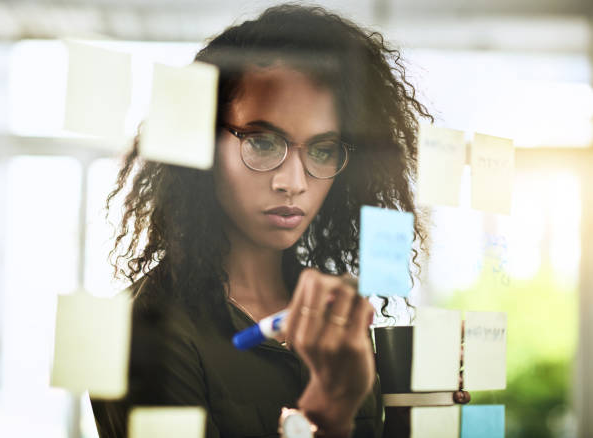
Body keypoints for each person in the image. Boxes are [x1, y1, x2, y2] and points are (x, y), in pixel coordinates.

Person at [91, 4, 431, 438]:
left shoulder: (334, 317)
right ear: (203, 141)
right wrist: (325, 414)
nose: (294, 182)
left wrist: (413, 413)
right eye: (263, 142)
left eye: (323, 150)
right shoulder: (143, 330)